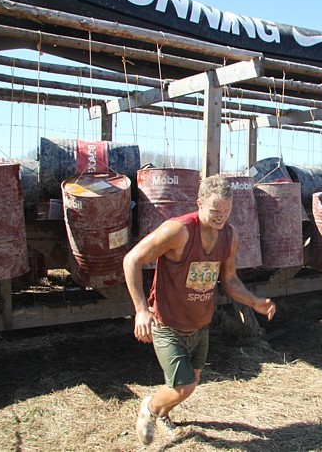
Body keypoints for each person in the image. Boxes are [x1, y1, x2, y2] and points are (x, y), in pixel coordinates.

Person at [123, 174, 276, 445]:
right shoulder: (178, 231)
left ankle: (164, 414)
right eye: (215, 211)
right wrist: (140, 310)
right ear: (199, 204)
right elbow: (132, 259)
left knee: (187, 384)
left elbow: (228, 280)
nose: (221, 217)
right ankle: (149, 408)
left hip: (200, 325)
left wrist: (254, 302)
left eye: (226, 211)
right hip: (168, 323)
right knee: (184, 386)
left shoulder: (229, 236)